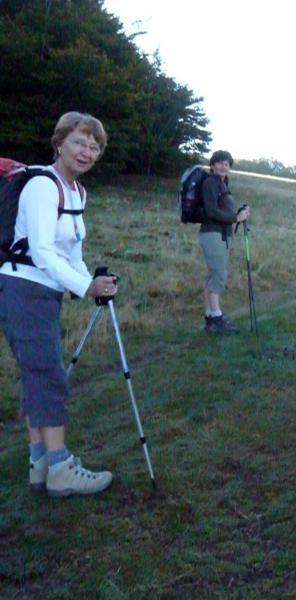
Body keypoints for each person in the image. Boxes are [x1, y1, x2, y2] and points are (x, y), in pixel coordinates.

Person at [0, 111, 118, 497]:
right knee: (50, 377)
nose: (87, 151)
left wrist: (91, 284)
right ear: (60, 143)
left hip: (44, 294)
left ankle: (40, 465)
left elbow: (72, 253)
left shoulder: (77, 192)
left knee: (38, 376)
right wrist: (86, 288)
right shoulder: (42, 186)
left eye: (95, 146)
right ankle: (60, 467)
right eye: (80, 142)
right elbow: (43, 253)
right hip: (22, 289)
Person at [199, 150, 251, 334]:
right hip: (212, 234)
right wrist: (235, 218)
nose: (223, 166)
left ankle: (211, 318)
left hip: (221, 234)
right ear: (212, 165)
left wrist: (239, 213)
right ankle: (216, 316)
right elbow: (211, 211)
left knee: (214, 275)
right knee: (219, 275)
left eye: (227, 163)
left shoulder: (222, 183)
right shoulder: (211, 183)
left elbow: (223, 211)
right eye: (220, 162)